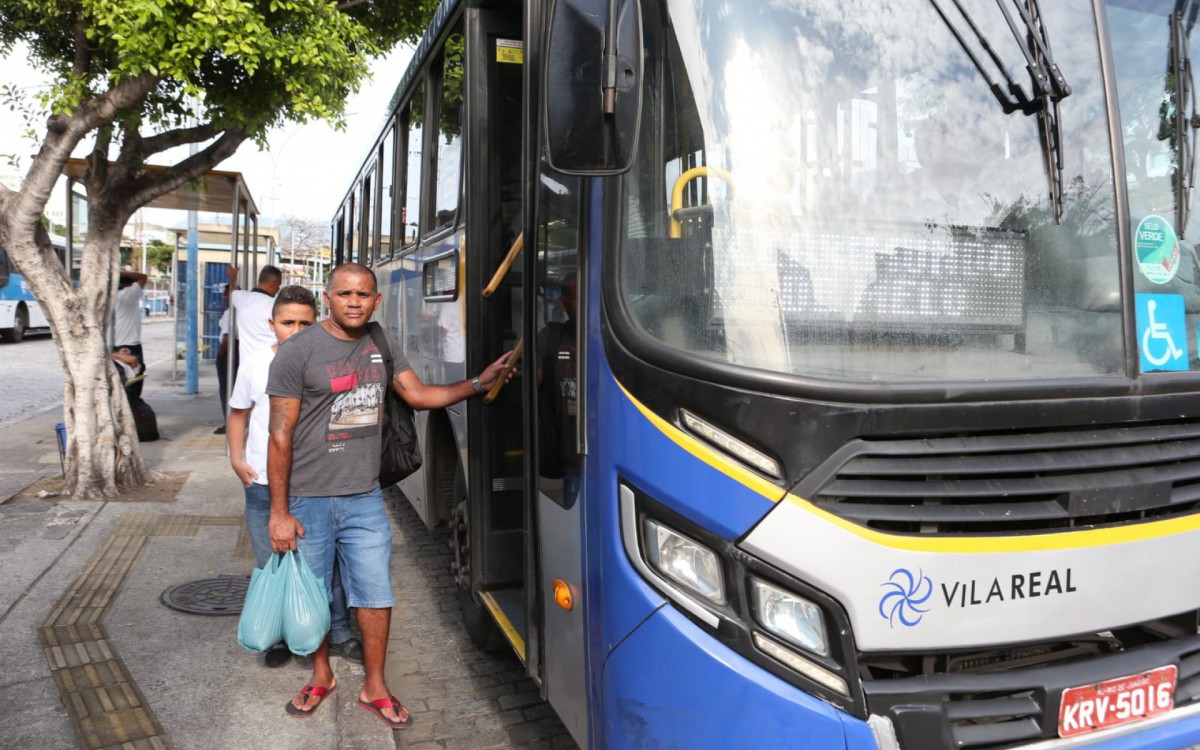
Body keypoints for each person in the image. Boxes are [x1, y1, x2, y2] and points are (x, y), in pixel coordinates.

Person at [265, 263, 512, 726]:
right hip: (309, 498)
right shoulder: (296, 353)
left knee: (375, 593)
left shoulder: (381, 342)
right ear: (328, 298)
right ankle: (322, 675)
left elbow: (417, 395)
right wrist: (279, 512)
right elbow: (280, 435)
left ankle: (374, 685)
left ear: (377, 301)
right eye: (344, 294)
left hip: (364, 497)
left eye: (363, 294)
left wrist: (477, 384)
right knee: (315, 594)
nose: (354, 301)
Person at [227, 285, 363, 668]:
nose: (297, 330)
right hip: (262, 484)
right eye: (288, 322)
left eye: (306, 322)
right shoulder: (254, 363)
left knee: (323, 564)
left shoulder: (325, 363)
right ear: (272, 324)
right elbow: (239, 412)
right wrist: (236, 460)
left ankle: (336, 632)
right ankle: (282, 633)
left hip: (311, 482)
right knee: (272, 558)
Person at [537, 272, 580, 503]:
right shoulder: (551, 339)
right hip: (572, 460)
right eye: (578, 297)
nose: (586, 303)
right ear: (563, 303)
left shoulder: (612, 340)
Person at [227, 264, 283, 355]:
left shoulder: (242, 298)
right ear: (273, 284)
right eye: (279, 285)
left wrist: (233, 277)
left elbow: (232, 290)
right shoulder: (275, 305)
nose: (278, 289)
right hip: (268, 362)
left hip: (246, 365)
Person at [114, 270, 148, 400]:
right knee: (133, 385)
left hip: (111, 348)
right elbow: (143, 277)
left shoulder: (104, 299)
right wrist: (120, 273)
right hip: (130, 346)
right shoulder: (128, 295)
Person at [214, 285, 234, 435]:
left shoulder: (230, 313)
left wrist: (221, 354)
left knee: (226, 389)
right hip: (235, 353)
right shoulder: (241, 312)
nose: (224, 298)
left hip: (228, 354)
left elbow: (227, 337)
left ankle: (229, 422)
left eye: (226, 295)